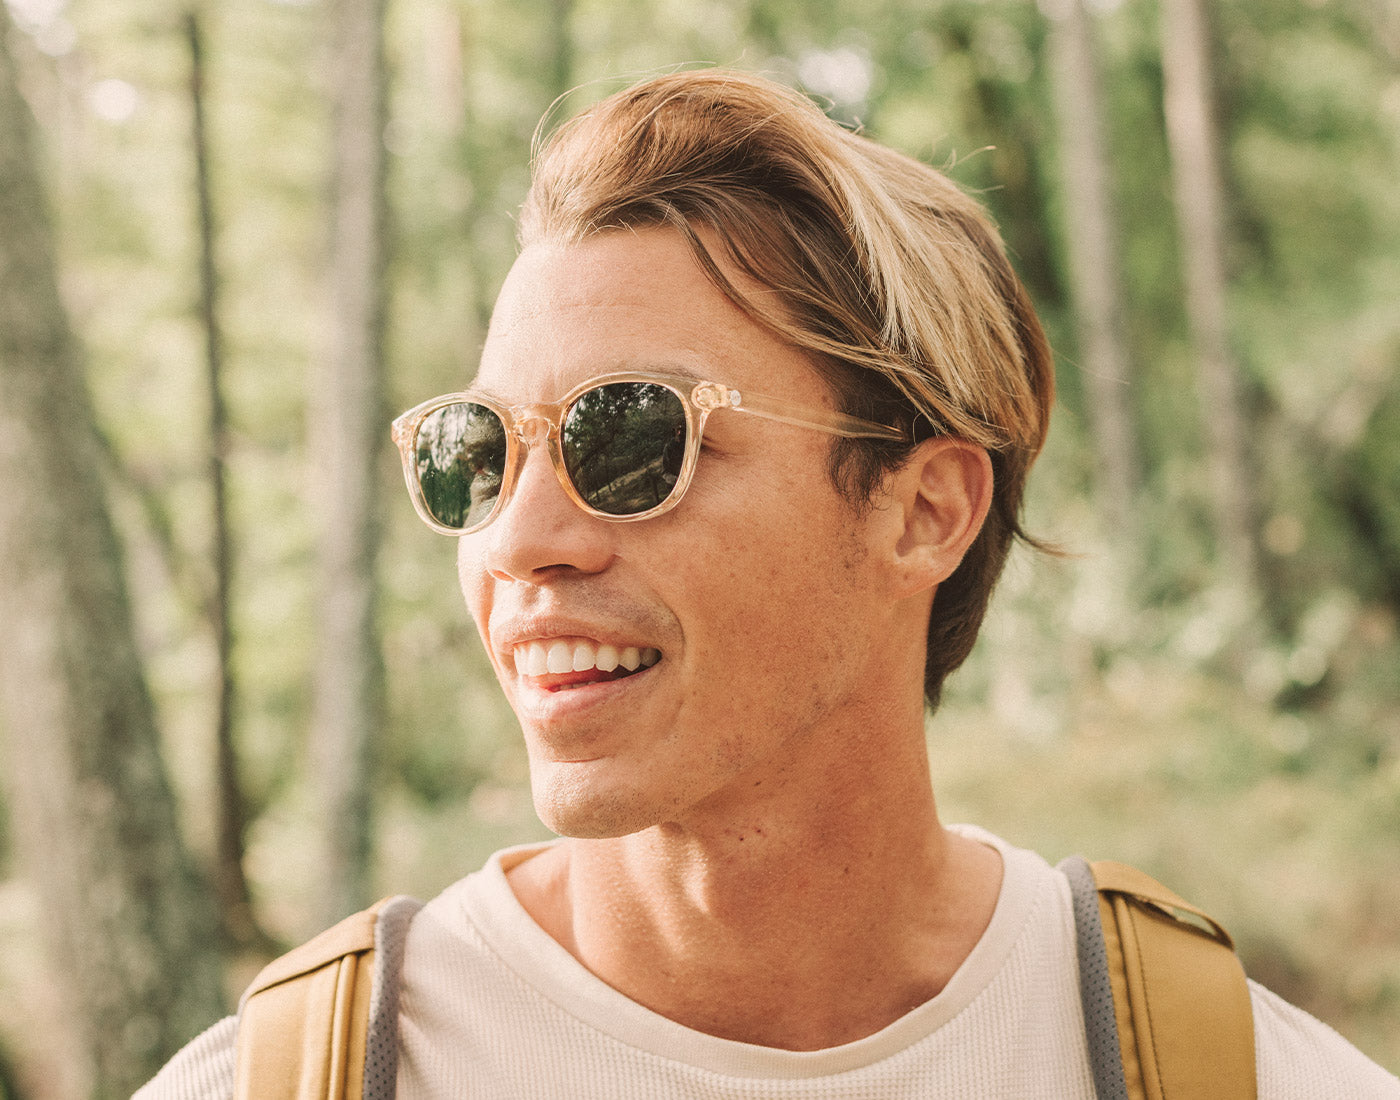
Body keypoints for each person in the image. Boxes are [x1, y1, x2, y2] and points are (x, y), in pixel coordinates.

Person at [138, 67, 1398, 1098]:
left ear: (924, 509)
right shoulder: (311, 1072)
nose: (519, 539)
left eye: (624, 437)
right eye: (477, 452)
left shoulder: (1199, 1064)